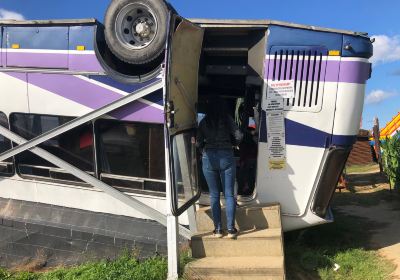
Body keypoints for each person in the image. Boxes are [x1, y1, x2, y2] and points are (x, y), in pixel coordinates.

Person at [197, 97, 243, 239]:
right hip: (226, 156)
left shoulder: (204, 121)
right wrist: (234, 143)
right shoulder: (227, 119)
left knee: (214, 195)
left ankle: (217, 230)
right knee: (229, 194)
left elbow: (198, 142)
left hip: (209, 157)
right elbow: (239, 135)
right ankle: (230, 229)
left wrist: (203, 150)